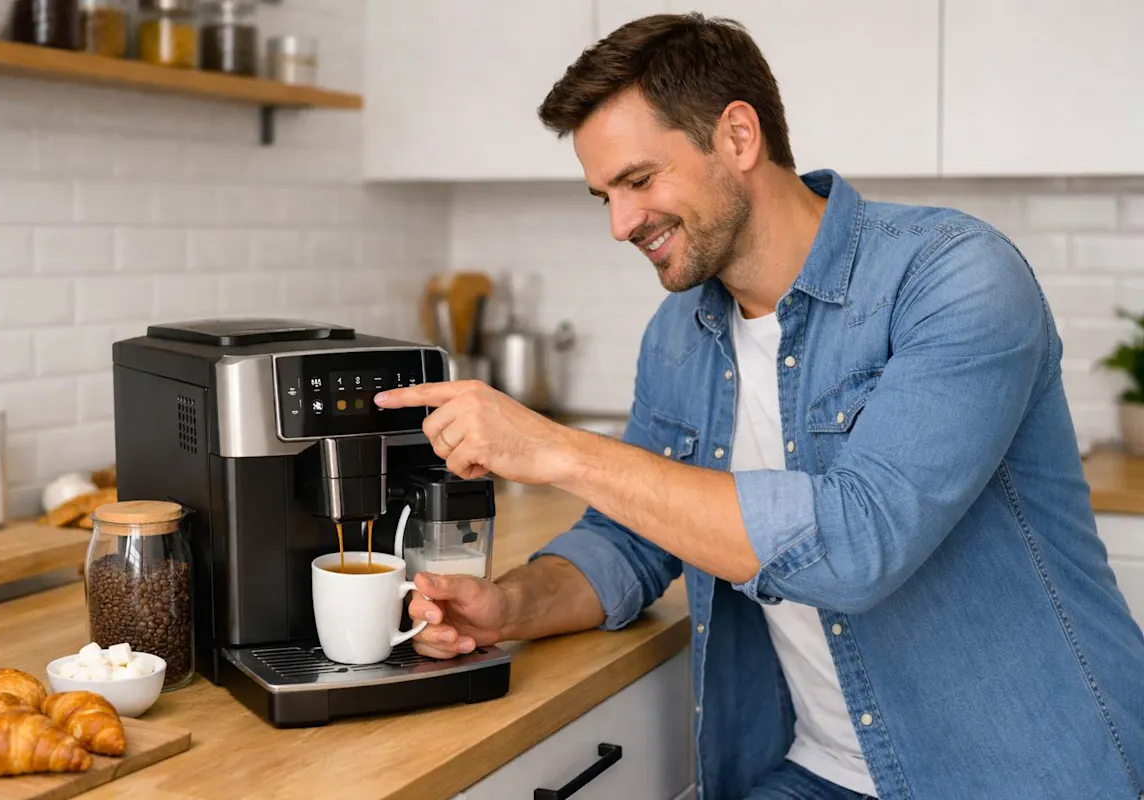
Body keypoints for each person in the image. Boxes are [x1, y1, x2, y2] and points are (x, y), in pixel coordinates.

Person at [373, 12, 1144, 800]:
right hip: (817, 772)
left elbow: (857, 543)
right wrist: (505, 606)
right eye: (603, 194)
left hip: (1025, 773)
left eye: (639, 181)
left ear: (739, 137)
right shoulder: (678, 336)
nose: (620, 223)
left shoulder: (952, 276)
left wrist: (560, 450)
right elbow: (630, 544)